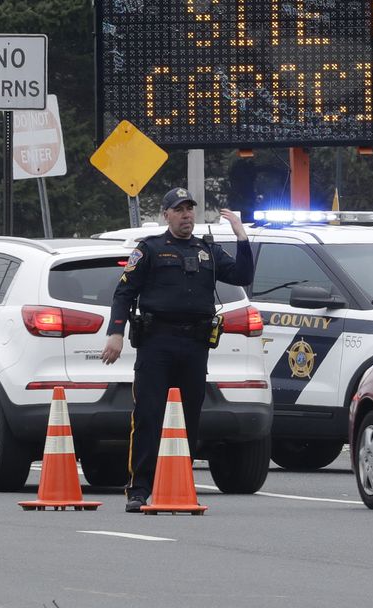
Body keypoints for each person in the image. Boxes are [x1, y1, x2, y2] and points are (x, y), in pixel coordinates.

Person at [100, 187, 253, 513]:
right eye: (179, 209)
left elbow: (243, 275)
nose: (186, 215)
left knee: (190, 419)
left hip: (195, 344)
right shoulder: (151, 249)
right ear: (166, 214)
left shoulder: (207, 249)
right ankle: (139, 489)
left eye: (189, 209)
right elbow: (123, 293)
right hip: (157, 343)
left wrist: (241, 238)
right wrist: (115, 333)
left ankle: (180, 483)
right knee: (149, 416)